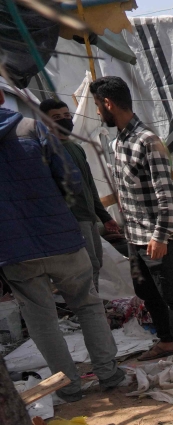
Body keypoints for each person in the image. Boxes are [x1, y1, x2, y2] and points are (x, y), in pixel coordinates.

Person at [0, 89, 124, 401]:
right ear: (1, 99)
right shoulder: (31, 128)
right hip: (61, 239)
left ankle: (68, 387)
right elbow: (69, 179)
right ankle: (109, 373)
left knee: (42, 321)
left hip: (14, 252)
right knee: (87, 304)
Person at [90, 76, 173, 363]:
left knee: (170, 293)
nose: (98, 112)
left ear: (108, 103)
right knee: (146, 291)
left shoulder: (148, 141)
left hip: (156, 236)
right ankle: (166, 341)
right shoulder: (119, 140)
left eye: (98, 106)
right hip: (134, 236)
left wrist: (160, 236)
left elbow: (166, 193)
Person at [39, 97, 119, 291]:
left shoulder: (76, 148)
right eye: (57, 117)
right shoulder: (47, 151)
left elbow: (89, 185)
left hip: (89, 216)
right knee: (87, 266)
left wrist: (104, 216)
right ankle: (90, 309)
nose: (64, 120)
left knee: (96, 262)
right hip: (72, 218)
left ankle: (96, 306)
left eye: (67, 115)